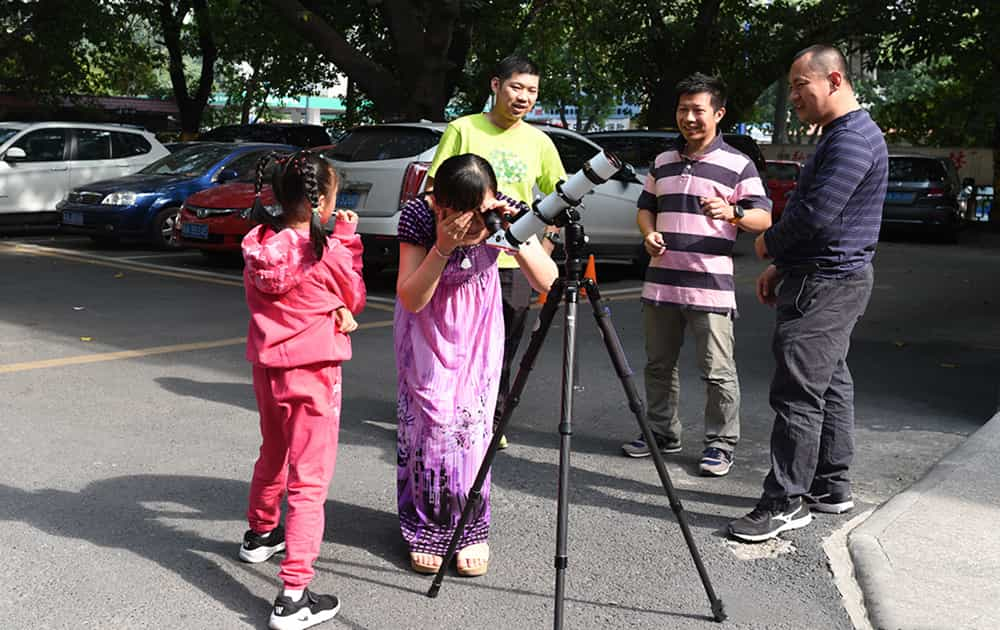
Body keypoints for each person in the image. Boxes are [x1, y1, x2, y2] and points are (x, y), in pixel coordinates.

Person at [728, 45, 888, 542]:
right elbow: (826, 217)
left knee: (798, 391)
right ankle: (830, 486)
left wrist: (768, 242)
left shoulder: (851, 141)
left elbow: (816, 213)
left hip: (828, 283)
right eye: (792, 85)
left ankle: (785, 501)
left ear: (834, 80)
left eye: (801, 84)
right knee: (830, 381)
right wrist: (784, 265)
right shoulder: (843, 134)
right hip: (826, 274)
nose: (793, 94)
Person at [395, 153, 558, 577]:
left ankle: (470, 526)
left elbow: (548, 281)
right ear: (440, 203)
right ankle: (425, 524)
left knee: (472, 429)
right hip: (426, 326)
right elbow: (411, 296)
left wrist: (515, 235)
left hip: (479, 331)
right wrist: (443, 246)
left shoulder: (501, 211)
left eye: (480, 208)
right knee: (429, 427)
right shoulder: (418, 213)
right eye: (456, 213)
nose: (470, 221)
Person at [238, 149, 366, 630]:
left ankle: (260, 533)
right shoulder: (327, 251)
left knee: (273, 451)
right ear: (323, 201)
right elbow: (353, 294)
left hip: (268, 369)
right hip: (314, 374)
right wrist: (347, 240)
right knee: (310, 480)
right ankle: (293, 595)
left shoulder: (258, 244)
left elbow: (297, 296)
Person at [621, 73, 772, 477]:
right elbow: (645, 206)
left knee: (717, 370)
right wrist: (648, 232)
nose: (689, 117)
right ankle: (662, 432)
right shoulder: (664, 162)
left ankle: (721, 444)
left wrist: (734, 213)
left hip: (710, 286)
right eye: (683, 109)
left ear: (718, 114)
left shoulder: (737, 165)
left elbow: (763, 217)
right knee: (658, 365)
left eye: (698, 110)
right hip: (662, 281)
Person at [425, 54, 566, 449]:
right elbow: (435, 188)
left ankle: (491, 420)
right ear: (495, 85)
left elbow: (559, 196)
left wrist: (545, 241)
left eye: (532, 91)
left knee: (502, 345)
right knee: (454, 340)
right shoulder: (463, 128)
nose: (524, 97)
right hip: (459, 255)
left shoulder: (540, 141)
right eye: (516, 87)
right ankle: (444, 410)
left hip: (511, 260)